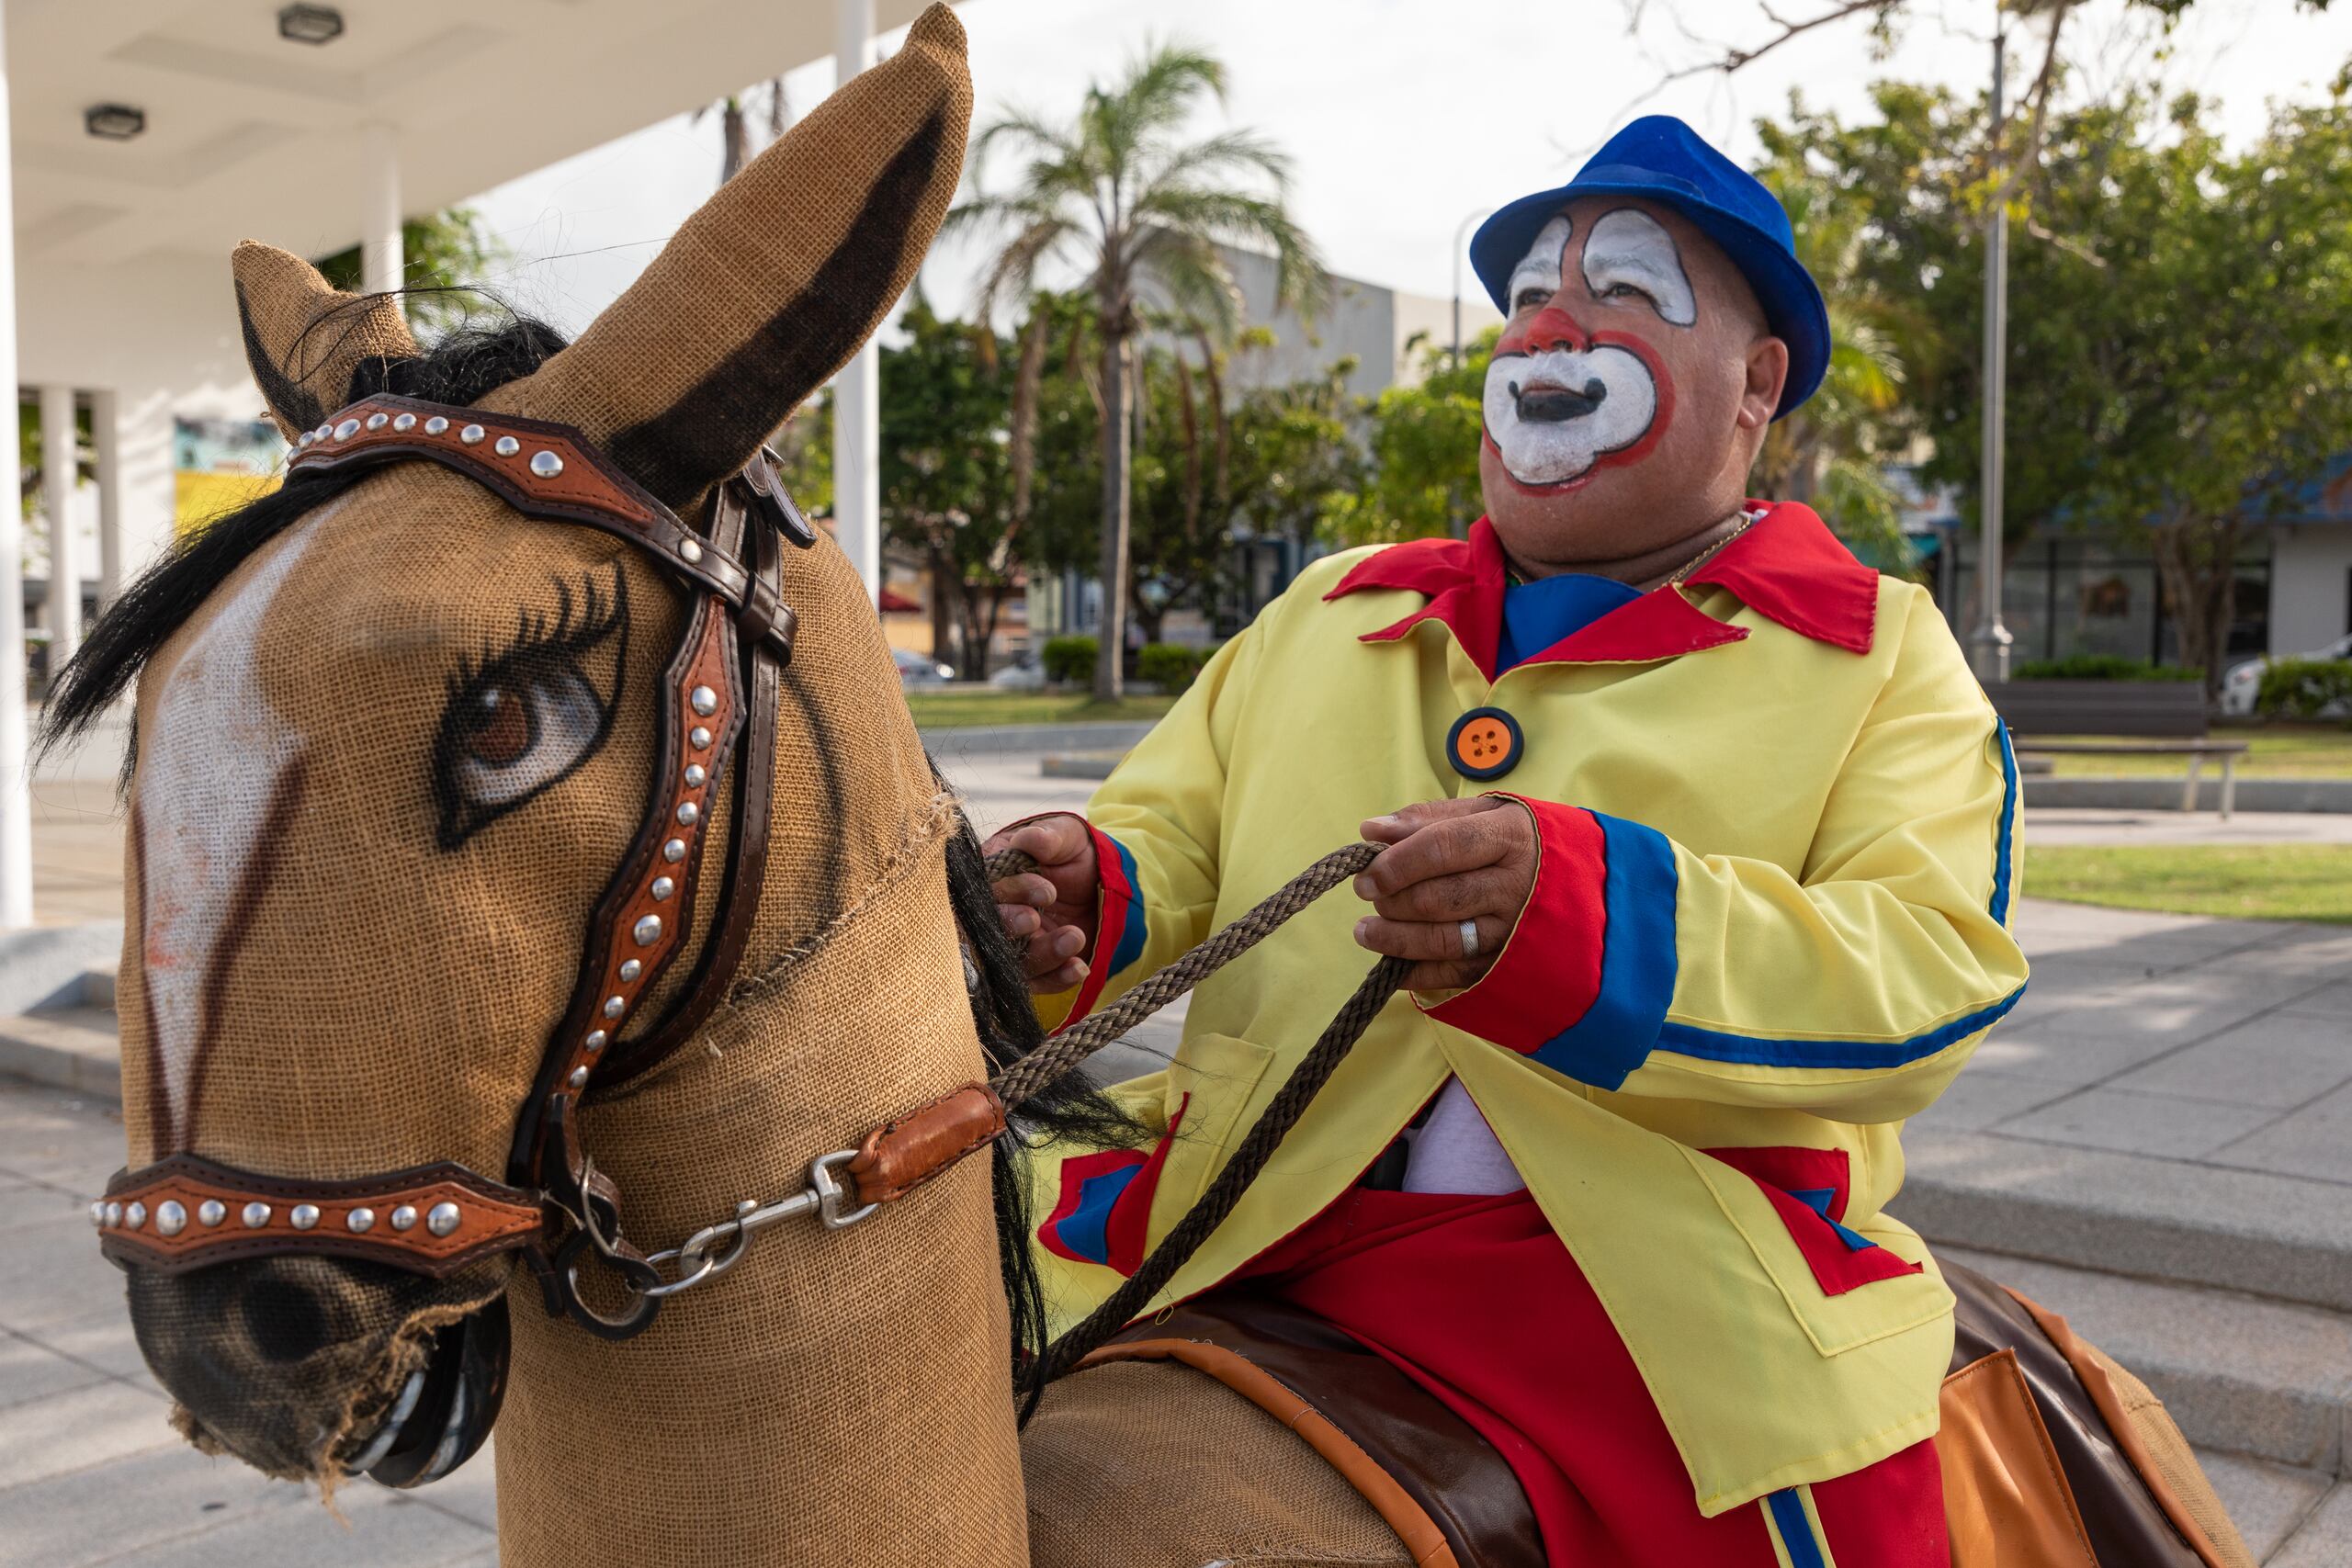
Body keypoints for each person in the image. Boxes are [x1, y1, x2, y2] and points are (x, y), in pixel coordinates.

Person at [989, 116, 2025, 1566]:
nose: (1553, 324)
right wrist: (1076, 899)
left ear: (1760, 382)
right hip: (1232, 1213)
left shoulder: (1878, 655)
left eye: (1629, 293)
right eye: (1536, 289)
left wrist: (1583, 922)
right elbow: (1170, 835)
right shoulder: (1332, 607)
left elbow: (1929, 976)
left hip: (1639, 1297)